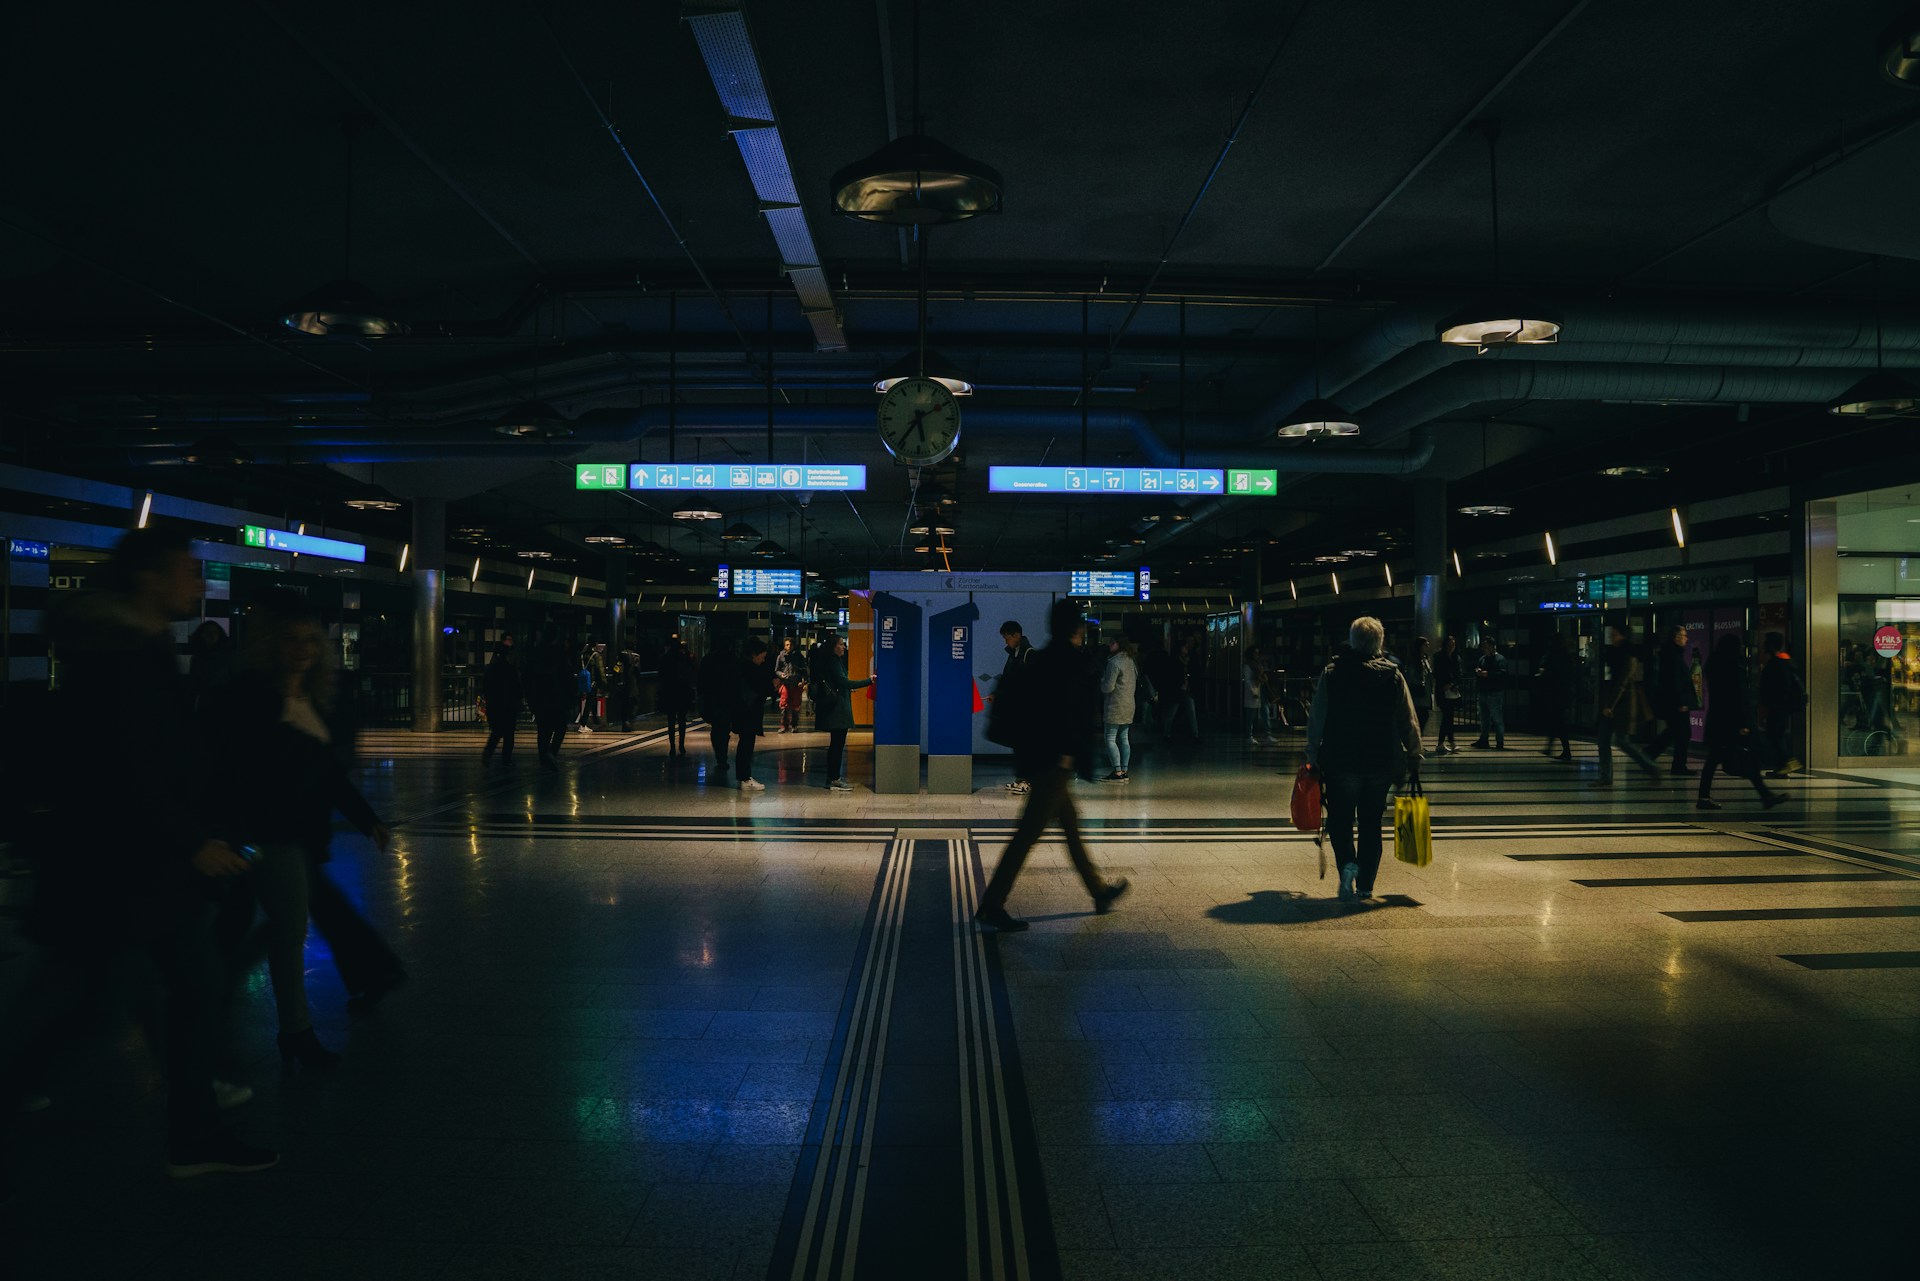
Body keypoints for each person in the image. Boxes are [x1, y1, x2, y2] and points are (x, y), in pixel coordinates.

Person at [4, 527, 275, 1178]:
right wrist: (192, 840)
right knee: (174, 986)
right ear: (149, 578)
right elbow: (124, 767)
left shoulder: (128, 647)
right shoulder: (122, 655)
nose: (195, 583)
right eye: (186, 571)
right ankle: (194, 1131)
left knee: (98, 995)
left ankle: (194, 1128)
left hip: (122, 862)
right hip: (129, 864)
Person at [206, 593, 401, 1069]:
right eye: (292, 641)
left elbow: (328, 773)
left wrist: (366, 818)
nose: (302, 650)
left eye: (310, 642)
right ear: (273, 646)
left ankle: (217, 1007)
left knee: (263, 928)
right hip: (264, 832)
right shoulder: (253, 694)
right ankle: (292, 1032)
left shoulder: (316, 698)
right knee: (285, 928)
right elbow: (231, 762)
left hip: (298, 833)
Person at [974, 601, 1131, 932]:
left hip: (1042, 760)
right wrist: (1067, 756)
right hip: (1055, 764)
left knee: (1071, 828)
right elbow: (1072, 714)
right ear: (1076, 628)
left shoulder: (1041, 658)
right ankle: (992, 904)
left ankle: (1099, 891)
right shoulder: (1071, 662)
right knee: (1027, 835)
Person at [1306, 616, 1423, 903]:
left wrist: (1311, 755)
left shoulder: (1332, 673)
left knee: (1340, 821)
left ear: (1352, 639)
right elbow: (1408, 719)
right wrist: (1414, 752)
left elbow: (1317, 718)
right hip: (1381, 761)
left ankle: (1347, 864)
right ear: (1379, 642)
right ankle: (1366, 885)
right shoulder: (1393, 675)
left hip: (1341, 759)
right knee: (1371, 823)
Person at [1698, 631, 1787, 812]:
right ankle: (1764, 795)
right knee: (1739, 758)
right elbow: (1736, 697)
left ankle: (1765, 795)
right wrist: (1743, 724)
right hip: (1732, 723)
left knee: (1719, 759)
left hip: (1719, 721)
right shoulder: (1731, 665)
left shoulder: (1715, 663)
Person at [1593, 625, 1659, 787]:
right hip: (1611, 703)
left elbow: (1622, 682)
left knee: (1622, 740)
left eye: (1615, 634)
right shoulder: (1612, 653)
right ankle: (1605, 776)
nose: (1612, 637)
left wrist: (1611, 705)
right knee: (1603, 739)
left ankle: (1650, 766)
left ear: (1622, 636)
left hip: (1622, 704)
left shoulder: (1629, 655)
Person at [811, 636, 872, 791]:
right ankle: (834, 779)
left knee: (836, 744)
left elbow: (837, 683)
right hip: (837, 710)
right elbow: (843, 681)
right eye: (841, 644)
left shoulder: (828, 661)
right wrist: (868, 681)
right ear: (833, 647)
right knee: (837, 745)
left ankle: (833, 777)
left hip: (833, 707)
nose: (844, 647)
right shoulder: (833, 661)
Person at [993, 621, 1037, 793]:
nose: (1006, 642)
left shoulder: (1029, 654)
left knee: (1027, 747)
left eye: (1007, 638)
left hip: (1027, 710)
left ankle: (1028, 780)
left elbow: (1030, 684)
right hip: (1018, 709)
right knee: (1020, 746)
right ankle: (1021, 779)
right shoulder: (1014, 654)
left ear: (1017, 635)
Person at [1650, 626, 1697, 775]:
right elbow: (1674, 681)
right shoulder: (1672, 656)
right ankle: (1677, 765)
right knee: (1682, 733)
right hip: (1676, 703)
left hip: (1673, 701)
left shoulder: (1672, 654)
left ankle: (1651, 753)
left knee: (1675, 732)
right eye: (1683, 635)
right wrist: (1681, 702)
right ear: (1676, 637)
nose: (1686, 638)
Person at [1758, 633, 1805, 776]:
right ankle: (1782, 766)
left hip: (1778, 706)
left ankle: (1789, 761)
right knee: (1777, 734)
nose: (1764, 644)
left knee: (1774, 734)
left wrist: (1767, 703)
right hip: (1785, 706)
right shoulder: (1787, 661)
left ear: (1771, 645)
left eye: (1766, 642)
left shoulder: (1776, 664)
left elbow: (1774, 687)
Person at [527, 631, 574, 771]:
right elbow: (567, 679)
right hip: (557, 698)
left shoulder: (536, 655)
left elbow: (529, 678)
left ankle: (544, 757)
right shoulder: (560, 657)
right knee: (560, 727)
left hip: (541, 699)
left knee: (543, 730)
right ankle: (551, 753)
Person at [733, 636, 773, 791]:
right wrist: (772, 686)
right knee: (746, 745)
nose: (763, 661)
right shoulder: (751, 669)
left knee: (745, 744)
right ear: (754, 655)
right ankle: (745, 777)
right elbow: (762, 688)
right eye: (762, 657)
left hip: (743, 712)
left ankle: (744, 776)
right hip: (748, 713)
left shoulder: (741, 667)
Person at [1100, 636, 1138, 782]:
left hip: (1115, 705)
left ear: (1119, 644)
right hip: (1129, 704)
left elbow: (1108, 687)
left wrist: (1102, 682)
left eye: (1113, 642)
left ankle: (1117, 771)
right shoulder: (1131, 661)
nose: (1110, 645)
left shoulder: (1114, 662)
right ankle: (1125, 770)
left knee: (1109, 738)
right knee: (1124, 738)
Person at [697, 640, 735, 784]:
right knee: (724, 729)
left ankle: (720, 756)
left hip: (711, 699)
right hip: (725, 700)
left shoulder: (708, 659)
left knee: (717, 729)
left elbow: (701, 679)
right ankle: (722, 756)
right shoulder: (732, 659)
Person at [480, 639, 522, 766]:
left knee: (497, 731)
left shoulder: (490, 670)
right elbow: (517, 688)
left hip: (494, 704)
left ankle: (488, 752)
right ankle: (506, 758)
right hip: (509, 705)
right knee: (509, 734)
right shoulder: (510, 669)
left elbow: (486, 687)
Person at [1535, 633, 1574, 762]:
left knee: (1558, 722)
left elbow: (1545, 673)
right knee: (1558, 722)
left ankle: (1565, 750)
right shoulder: (1566, 656)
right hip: (1563, 694)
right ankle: (1554, 747)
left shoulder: (1550, 656)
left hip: (1553, 694)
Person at [1159, 633, 1202, 742]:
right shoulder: (1174, 660)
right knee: (1173, 712)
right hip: (1178, 689)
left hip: (1186, 689)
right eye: (1185, 646)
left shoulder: (1190, 659)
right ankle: (1167, 733)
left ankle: (1195, 734)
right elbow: (1171, 676)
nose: (1187, 648)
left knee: (1190, 711)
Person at [658, 639, 694, 758]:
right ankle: (681, 745)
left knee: (671, 720)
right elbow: (690, 673)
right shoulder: (684, 659)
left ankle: (672, 746)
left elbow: (661, 676)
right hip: (682, 692)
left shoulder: (665, 659)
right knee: (682, 720)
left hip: (670, 692)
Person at [1469, 636, 1507, 749]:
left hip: (1494, 693)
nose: (1483, 649)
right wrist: (1478, 672)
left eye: (1486, 647)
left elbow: (1502, 675)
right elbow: (1478, 669)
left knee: (1496, 718)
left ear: (1492, 647)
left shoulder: (1500, 659)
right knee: (1484, 719)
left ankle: (1499, 741)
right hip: (1483, 692)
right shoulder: (1483, 659)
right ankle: (1484, 739)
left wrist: (1487, 674)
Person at [1432, 634, 1462, 753]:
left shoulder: (1456, 657)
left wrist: (1453, 684)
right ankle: (1446, 742)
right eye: (1449, 645)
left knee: (1448, 717)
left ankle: (1446, 743)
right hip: (1443, 690)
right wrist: (1446, 683)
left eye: (1453, 645)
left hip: (1452, 689)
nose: (1451, 647)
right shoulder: (1439, 657)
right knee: (1447, 716)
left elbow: (1459, 674)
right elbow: (1438, 673)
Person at [1242, 647, 1277, 747]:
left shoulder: (1258, 665)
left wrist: (1263, 678)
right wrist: (1253, 691)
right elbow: (1248, 681)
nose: (1257, 655)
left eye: (1258, 653)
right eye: (1255, 653)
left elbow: (1261, 675)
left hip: (1260, 690)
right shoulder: (1248, 666)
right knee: (1251, 716)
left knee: (1265, 712)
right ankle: (1249, 736)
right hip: (1254, 691)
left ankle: (1267, 734)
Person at [774, 637, 804, 733]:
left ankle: (794, 725)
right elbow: (776, 670)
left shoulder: (799, 656)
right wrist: (781, 674)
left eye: (790, 645)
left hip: (796, 683)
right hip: (786, 683)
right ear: (784, 645)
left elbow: (804, 669)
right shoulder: (781, 656)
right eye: (787, 645)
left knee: (795, 706)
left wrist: (803, 680)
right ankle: (784, 725)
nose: (789, 646)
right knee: (784, 705)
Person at [1407, 636, 1434, 735]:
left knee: (1422, 716)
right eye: (1425, 644)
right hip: (1418, 692)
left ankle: (1418, 740)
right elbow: (1411, 676)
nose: (1428, 646)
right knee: (1421, 715)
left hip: (1425, 691)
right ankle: (1417, 739)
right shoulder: (1414, 660)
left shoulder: (1426, 658)